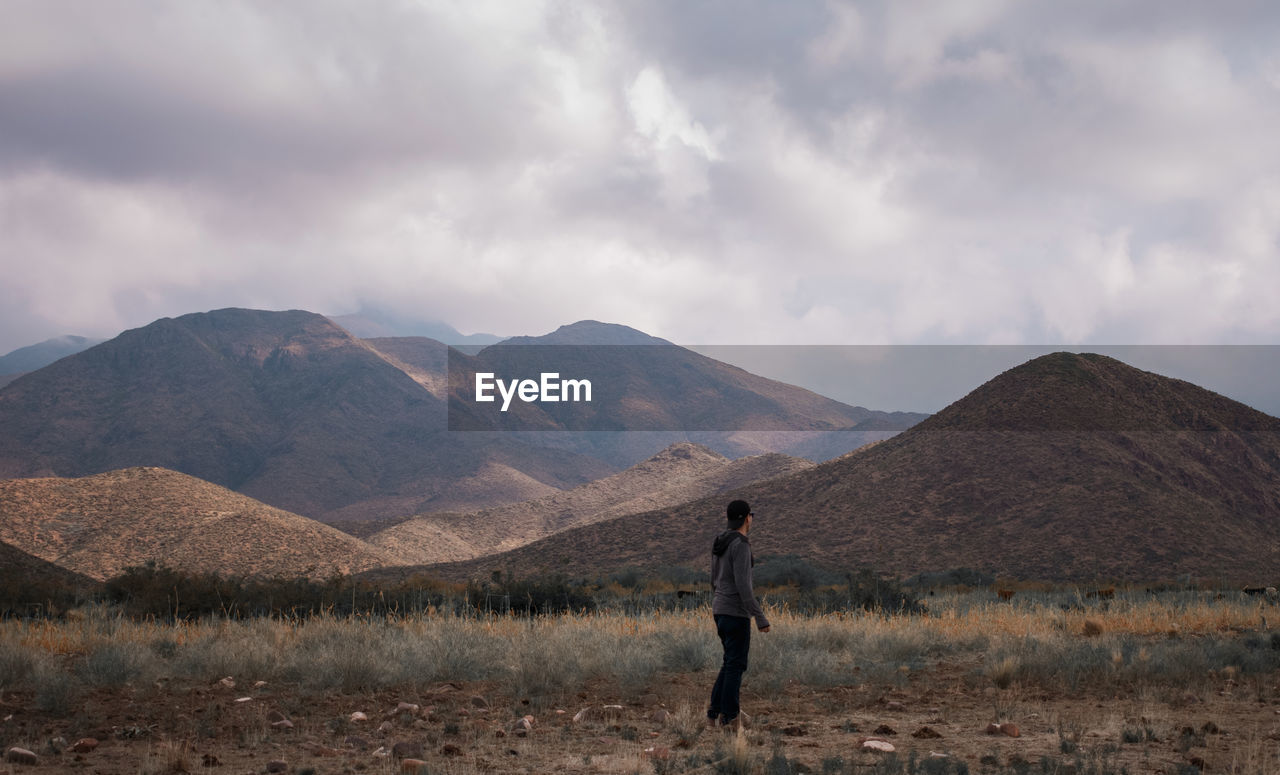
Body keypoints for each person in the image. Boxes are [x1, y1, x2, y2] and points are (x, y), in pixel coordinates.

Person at [707, 499, 771, 730]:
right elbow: (744, 586)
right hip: (735, 612)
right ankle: (731, 719)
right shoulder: (741, 544)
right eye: (751, 515)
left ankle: (714, 715)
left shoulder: (720, 542)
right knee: (736, 665)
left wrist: (720, 601)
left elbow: (714, 580)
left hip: (720, 609)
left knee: (729, 663)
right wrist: (760, 617)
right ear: (747, 518)